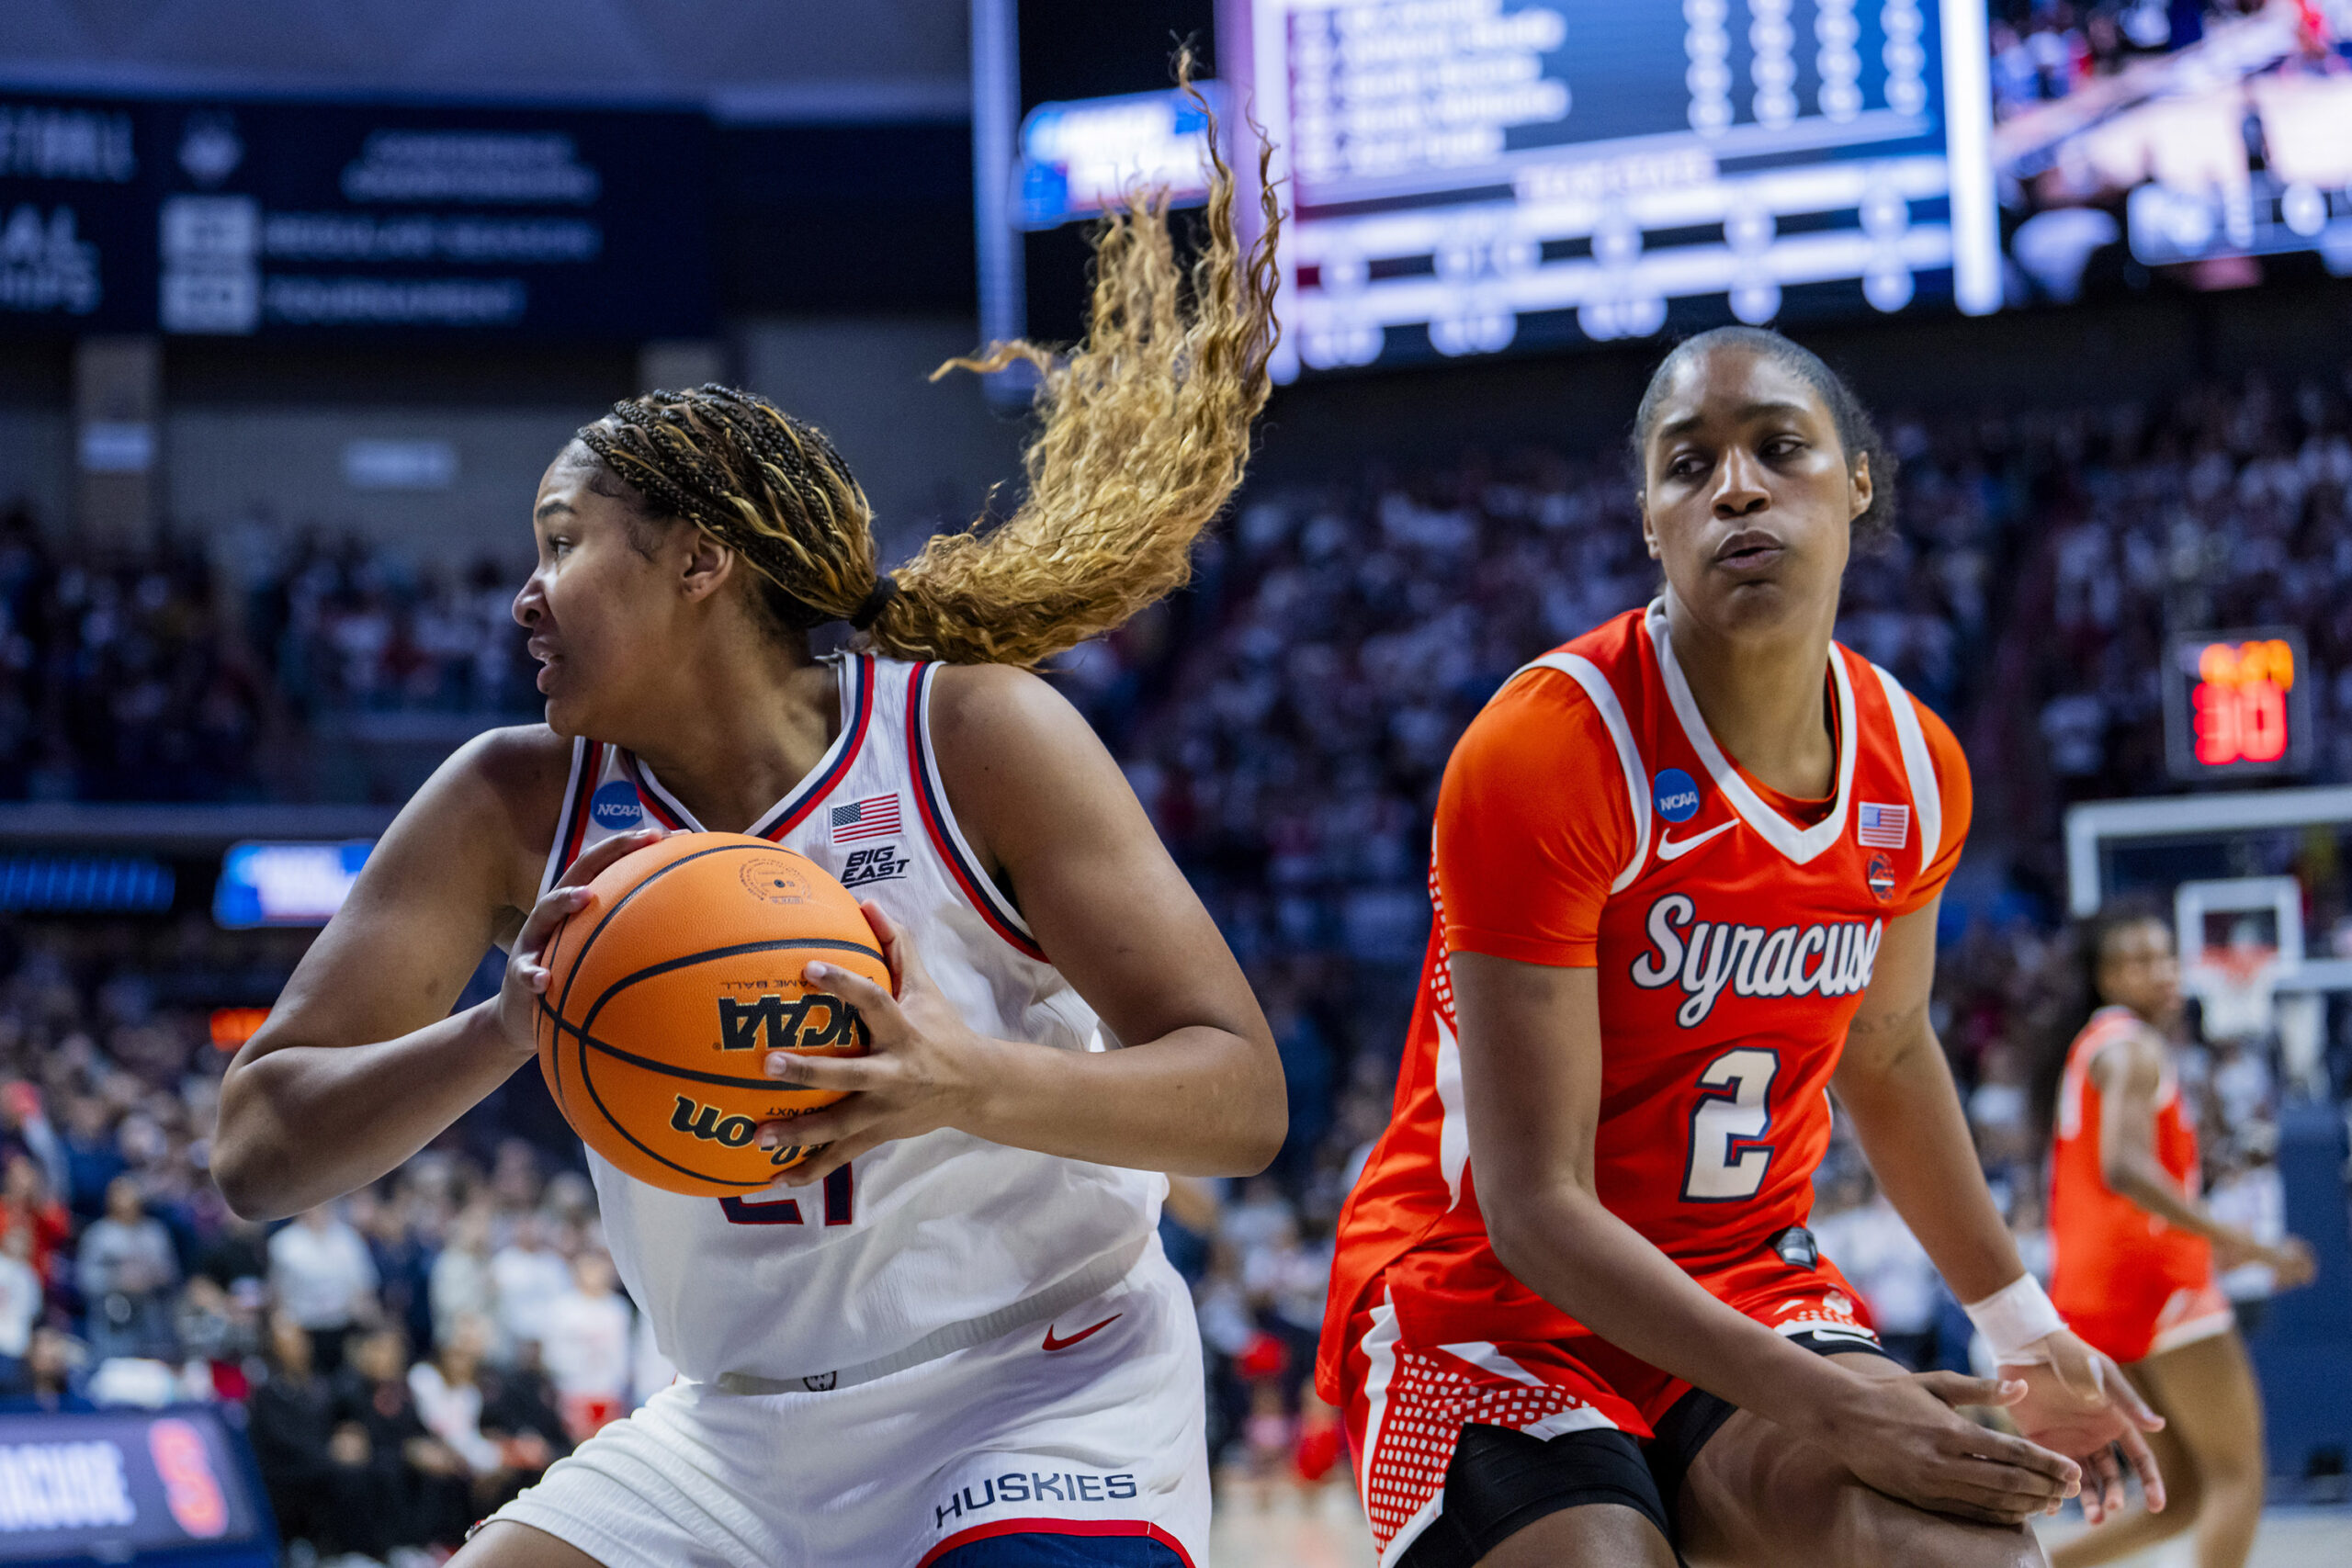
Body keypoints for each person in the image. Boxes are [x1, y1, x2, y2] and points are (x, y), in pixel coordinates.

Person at [212, 80, 1288, 1568]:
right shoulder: (507, 802)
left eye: (562, 542)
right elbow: (257, 1148)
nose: (521, 593)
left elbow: (1239, 1097)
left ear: (702, 557)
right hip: (738, 1427)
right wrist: (501, 1032)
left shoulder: (967, 733)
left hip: (1037, 1385)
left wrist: (958, 1076)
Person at [1317, 325, 2165, 1568]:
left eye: (1778, 447)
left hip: (1747, 1282)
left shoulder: (1918, 765)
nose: (1736, 487)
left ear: (1856, 480)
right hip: (1483, 1301)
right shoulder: (1546, 748)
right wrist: (1834, 1400)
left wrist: (2022, 1324)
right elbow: (1534, 1205)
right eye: (1688, 465)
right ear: (1649, 518)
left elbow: (1885, 1045)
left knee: (1969, 1551)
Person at [2040, 907, 2314, 1568]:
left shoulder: (2093, 1044)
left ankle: (2038, 1566)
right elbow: (2125, 1167)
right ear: (2106, 976)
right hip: (2155, 1276)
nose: (2162, 971)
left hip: (2090, 1287)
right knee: (2239, 1470)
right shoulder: (2132, 1046)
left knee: (2183, 1493)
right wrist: (2244, 1242)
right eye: (2139, 959)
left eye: (2166, 956)